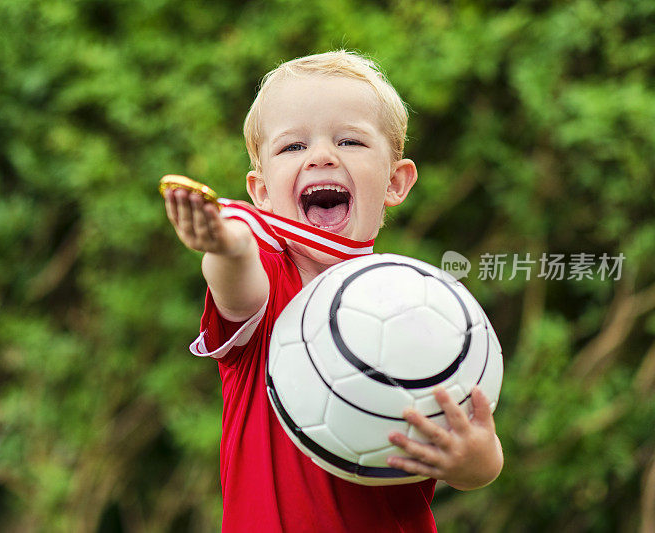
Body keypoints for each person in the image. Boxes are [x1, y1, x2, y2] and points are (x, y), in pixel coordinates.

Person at [162, 50, 503, 532]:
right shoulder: (270, 283)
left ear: (396, 181)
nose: (321, 155)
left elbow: (481, 464)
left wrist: (472, 459)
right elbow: (236, 290)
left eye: (349, 140)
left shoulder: (424, 308)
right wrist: (229, 245)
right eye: (292, 147)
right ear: (260, 192)